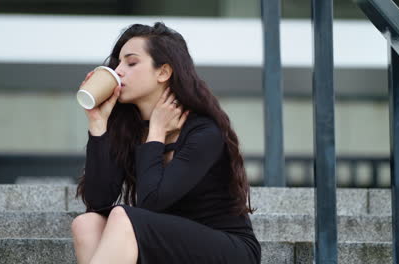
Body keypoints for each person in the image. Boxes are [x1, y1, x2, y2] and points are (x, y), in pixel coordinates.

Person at [71, 22, 261, 264]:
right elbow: (98, 201)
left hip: (227, 249)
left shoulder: (204, 132)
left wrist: (157, 133)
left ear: (163, 72)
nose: (118, 71)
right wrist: (98, 125)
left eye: (130, 63)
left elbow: (151, 203)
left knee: (123, 216)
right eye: (118, 63)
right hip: (167, 242)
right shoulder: (131, 129)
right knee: (86, 224)